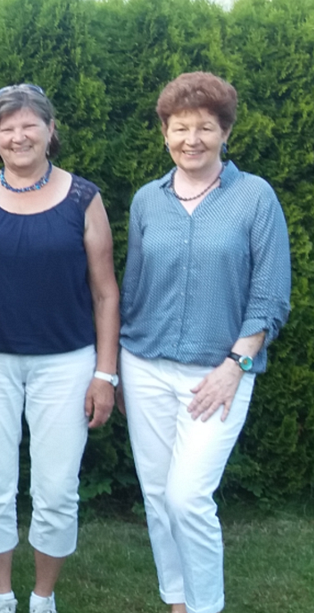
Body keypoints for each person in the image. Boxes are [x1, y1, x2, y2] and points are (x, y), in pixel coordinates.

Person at [0, 84, 120, 613]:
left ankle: (43, 598)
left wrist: (105, 374)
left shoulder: (84, 199)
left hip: (67, 363)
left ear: (50, 129)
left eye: (29, 125)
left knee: (57, 489)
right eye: (7, 127)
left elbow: (106, 293)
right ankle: (2, 596)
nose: (18, 136)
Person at [120, 72, 290, 613]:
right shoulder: (147, 201)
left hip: (219, 372)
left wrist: (236, 364)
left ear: (225, 133)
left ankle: (205, 606)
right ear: (164, 133)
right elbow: (134, 288)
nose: (191, 139)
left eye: (205, 128)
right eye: (180, 127)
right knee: (157, 496)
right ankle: (177, 601)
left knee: (187, 497)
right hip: (144, 366)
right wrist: (117, 369)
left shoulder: (254, 197)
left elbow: (270, 294)